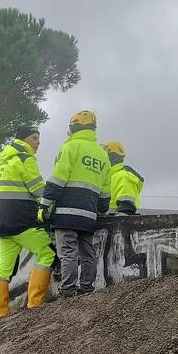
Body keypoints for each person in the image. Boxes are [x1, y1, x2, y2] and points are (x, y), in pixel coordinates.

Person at [41, 110, 112, 297]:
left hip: (66, 213)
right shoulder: (103, 156)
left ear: (72, 128)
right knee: (88, 253)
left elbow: (57, 179)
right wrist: (101, 210)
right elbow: (105, 193)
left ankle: (68, 291)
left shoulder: (70, 147)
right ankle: (87, 288)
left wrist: (44, 205)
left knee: (68, 252)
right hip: (89, 215)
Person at [0, 126, 55, 317]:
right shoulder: (26, 159)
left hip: (2, 222)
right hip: (22, 220)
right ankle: (34, 305)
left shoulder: (4, 160)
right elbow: (39, 191)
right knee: (49, 254)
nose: (38, 143)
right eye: (35, 138)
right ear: (24, 140)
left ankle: (2, 314)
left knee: (4, 269)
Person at [103, 141, 144, 215]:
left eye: (104, 155)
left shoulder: (123, 176)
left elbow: (126, 209)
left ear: (113, 157)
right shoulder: (110, 177)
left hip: (115, 223)